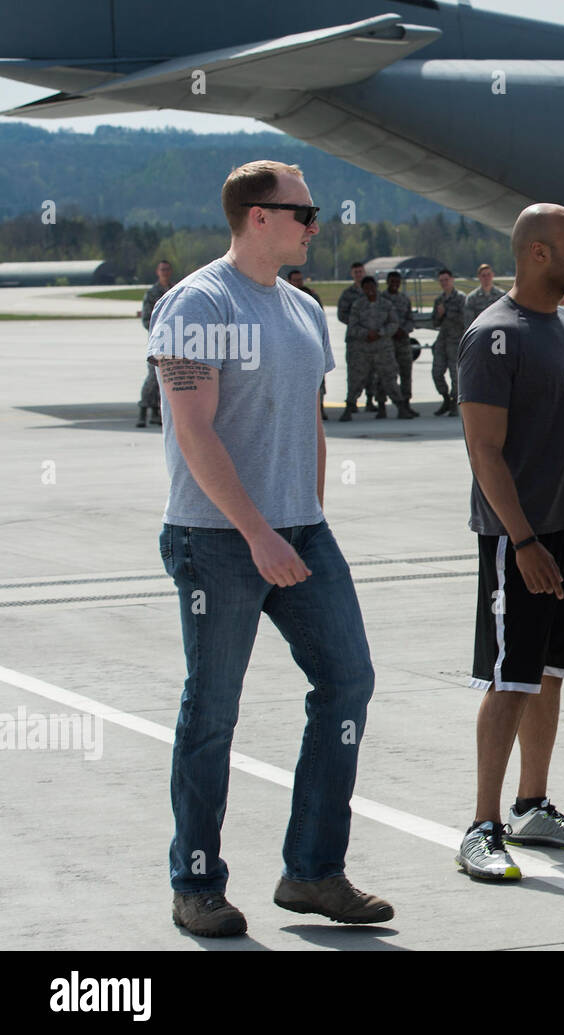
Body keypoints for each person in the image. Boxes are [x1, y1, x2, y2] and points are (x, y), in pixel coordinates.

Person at [148, 159, 392, 937]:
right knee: (214, 708)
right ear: (258, 215)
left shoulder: (300, 308)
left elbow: (311, 423)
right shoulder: (197, 304)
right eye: (303, 211)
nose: (315, 226)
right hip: (216, 539)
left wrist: (304, 517)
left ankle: (313, 872)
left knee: (347, 682)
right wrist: (256, 531)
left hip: (300, 533)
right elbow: (193, 431)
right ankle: (196, 882)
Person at [454, 203, 564, 881]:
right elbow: (483, 452)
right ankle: (481, 826)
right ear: (539, 253)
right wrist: (521, 541)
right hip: (514, 538)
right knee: (509, 676)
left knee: (549, 672)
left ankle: (531, 806)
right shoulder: (493, 336)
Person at [342, 276, 417, 420]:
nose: (370, 290)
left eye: (372, 287)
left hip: (383, 348)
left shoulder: (386, 305)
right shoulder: (357, 305)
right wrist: (366, 333)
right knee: (356, 379)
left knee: (389, 378)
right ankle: (349, 407)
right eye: (366, 288)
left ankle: (401, 407)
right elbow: (352, 326)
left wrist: (380, 333)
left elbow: (393, 323)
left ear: (376, 287)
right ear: (363, 289)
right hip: (362, 349)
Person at [288, 269, 328, 420]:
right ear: (289, 281)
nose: (299, 283)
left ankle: (320, 409)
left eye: (300, 279)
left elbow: (320, 319)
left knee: (318, 381)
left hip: (312, 343)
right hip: (292, 347)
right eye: (295, 280)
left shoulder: (311, 297)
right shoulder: (284, 297)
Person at [137, 260, 173, 427]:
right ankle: (143, 409)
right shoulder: (152, 293)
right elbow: (146, 319)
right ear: (157, 272)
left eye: (167, 269)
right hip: (158, 340)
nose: (165, 272)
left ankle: (157, 413)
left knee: (167, 379)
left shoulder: (175, 290)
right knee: (153, 377)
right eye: (162, 269)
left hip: (173, 341)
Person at [336, 262, 377, 411]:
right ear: (352, 274)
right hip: (356, 339)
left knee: (373, 372)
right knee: (354, 372)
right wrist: (356, 323)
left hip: (374, 338)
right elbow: (341, 314)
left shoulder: (373, 290)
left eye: (360, 271)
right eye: (356, 272)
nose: (358, 274)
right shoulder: (348, 294)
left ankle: (371, 400)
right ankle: (352, 401)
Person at [376, 271, 417, 411]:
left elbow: (411, 319)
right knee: (384, 374)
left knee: (406, 373)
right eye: (392, 281)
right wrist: (389, 331)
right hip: (387, 342)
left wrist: (404, 330)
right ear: (387, 282)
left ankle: (406, 403)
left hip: (403, 341)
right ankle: (381, 404)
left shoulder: (404, 299)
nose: (395, 284)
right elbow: (376, 321)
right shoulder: (380, 299)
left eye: (397, 282)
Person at [430, 268, 467, 416]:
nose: (444, 283)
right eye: (441, 281)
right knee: (436, 372)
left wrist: (447, 313)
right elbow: (434, 322)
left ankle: (453, 402)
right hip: (442, 341)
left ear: (452, 280)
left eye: (446, 280)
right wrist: (439, 315)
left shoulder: (461, 298)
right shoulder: (439, 300)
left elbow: (464, 319)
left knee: (455, 375)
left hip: (456, 341)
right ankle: (445, 397)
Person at [464, 262, 506, 328]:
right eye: (483, 275)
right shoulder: (472, 298)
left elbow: (505, 318)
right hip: (479, 333)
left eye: (488, 274)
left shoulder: (501, 296)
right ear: (479, 277)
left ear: (492, 275)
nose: (486, 278)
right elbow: (469, 322)